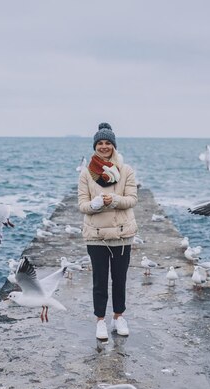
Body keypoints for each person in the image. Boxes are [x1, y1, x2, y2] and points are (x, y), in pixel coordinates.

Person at [78, 122, 138, 340]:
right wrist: (93, 205)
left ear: (114, 145)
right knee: (100, 280)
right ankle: (100, 321)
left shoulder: (126, 170)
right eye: (100, 143)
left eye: (108, 143)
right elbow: (82, 204)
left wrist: (113, 200)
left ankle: (118, 316)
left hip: (122, 234)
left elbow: (132, 199)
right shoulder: (86, 173)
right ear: (95, 146)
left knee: (120, 279)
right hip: (96, 235)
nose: (104, 146)